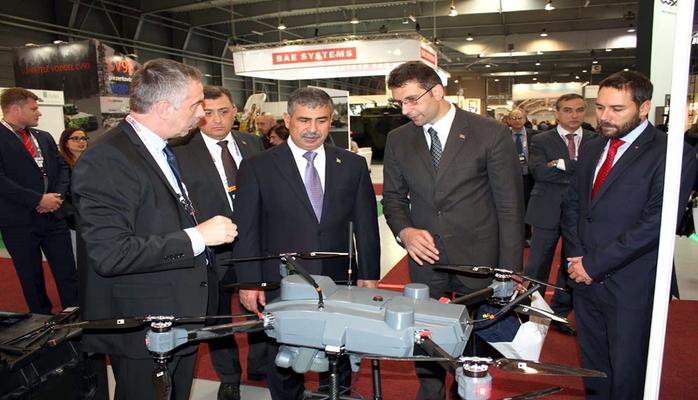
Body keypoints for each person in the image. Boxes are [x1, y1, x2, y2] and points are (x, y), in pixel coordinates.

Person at [72, 59, 238, 400]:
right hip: (143, 323)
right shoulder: (108, 157)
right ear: (164, 108)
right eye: (195, 105)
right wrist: (198, 237)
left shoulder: (161, 147)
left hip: (178, 313)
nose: (201, 115)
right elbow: (110, 253)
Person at [381, 61, 523, 399]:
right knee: (426, 340)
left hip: (479, 260)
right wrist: (405, 232)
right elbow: (393, 199)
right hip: (426, 262)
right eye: (399, 102)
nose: (406, 110)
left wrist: (509, 269)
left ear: (438, 91)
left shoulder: (490, 133)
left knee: (475, 345)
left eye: (412, 99)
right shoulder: (398, 139)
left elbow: (509, 207)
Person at [234, 87, 380, 400]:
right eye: (304, 120)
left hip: (339, 278)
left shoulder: (352, 164)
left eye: (321, 120)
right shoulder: (257, 166)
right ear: (288, 120)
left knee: (339, 350)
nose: (312, 129)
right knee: (283, 355)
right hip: (281, 280)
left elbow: (367, 225)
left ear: (331, 121)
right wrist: (249, 281)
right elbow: (247, 229)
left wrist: (369, 273)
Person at [561, 70, 697, 399]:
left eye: (617, 109)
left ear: (644, 107)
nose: (605, 116)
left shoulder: (672, 152)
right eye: (600, 107)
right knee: (593, 368)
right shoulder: (593, 146)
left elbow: (656, 222)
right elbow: (573, 204)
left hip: (633, 282)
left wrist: (594, 264)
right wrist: (577, 256)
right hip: (583, 277)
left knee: (628, 372)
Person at [170, 85, 265, 400]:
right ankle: (229, 377)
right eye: (208, 113)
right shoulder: (181, 150)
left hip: (255, 244)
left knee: (259, 307)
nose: (216, 119)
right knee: (217, 316)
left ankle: (260, 364)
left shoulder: (252, 143)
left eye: (223, 111)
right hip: (211, 248)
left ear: (235, 112)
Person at [0, 87, 79, 314]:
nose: (39, 113)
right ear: (16, 109)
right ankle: (41, 320)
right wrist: (37, 200)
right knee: (31, 276)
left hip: (53, 216)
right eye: (34, 109)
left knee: (67, 272)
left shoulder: (43, 137)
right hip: (19, 221)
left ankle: (75, 315)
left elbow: (62, 168)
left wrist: (56, 197)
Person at [524, 93, 596, 336]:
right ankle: (530, 312)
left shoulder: (596, 140)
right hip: (547, 210)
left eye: (579, 109)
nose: (574, 115)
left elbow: (594, 173)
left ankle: (560, 313)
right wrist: (577, 170)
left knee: (573, 265)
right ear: (557, 113)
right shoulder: (540, 139)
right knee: (537, 265)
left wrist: (561, 164)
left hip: (582, 213)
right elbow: (539, 172)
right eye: (567, 110)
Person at [506, 108, 537, 245]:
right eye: (513, 118)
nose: (517, 121)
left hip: (529, 177)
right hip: (510, 177)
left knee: (528, 206)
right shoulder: (503, 135)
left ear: (525, 119)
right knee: (513, 206)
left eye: (519, 118)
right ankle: (515, 235)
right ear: (508, 120)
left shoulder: (535, 135)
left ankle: (527, 235)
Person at [58, 127, 89, 256]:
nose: (81, 142)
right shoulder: (60, 164)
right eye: (75, 138)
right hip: (72, 218)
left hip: (91, 213)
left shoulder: (91, 161)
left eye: (83, 138)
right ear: (65, 142)